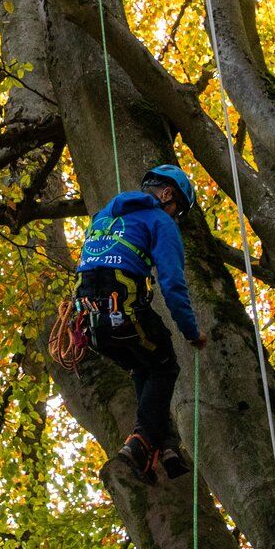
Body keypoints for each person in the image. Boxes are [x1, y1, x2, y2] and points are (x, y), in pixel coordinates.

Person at [75, 164, 207, 484]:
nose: (175, 216)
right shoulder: (159, 220)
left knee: (143, 367)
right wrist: (191, 331)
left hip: (89, 321)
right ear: (166, 194)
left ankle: (164, 447)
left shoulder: (103, 218)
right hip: (125, 311)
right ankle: (140, 443)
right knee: (165, 366)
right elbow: (173, 284)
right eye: (177, 209)